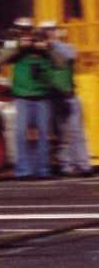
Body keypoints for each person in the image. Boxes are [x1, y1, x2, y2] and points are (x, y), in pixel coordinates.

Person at [4, 21, 59, 179]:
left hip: (42, 97)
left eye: (28, 30)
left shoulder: (44, 51)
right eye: (22, 30)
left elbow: (61, 63)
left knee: (43, 135)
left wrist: (47, 49)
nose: (26, 33)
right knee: (21, 133)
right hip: (22, 97)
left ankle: (43, 170)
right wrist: (19, 48)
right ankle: (24, 170)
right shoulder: (17, 49)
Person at [41, 22, 93, 176]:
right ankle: (67, 166)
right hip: (53, 98)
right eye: (46, 31)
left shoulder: (65, 48)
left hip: (68, 97)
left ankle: (83, 165)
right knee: (61, 135)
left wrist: (53, 43)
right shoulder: (42, 53)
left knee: (76, 132)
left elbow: (70, 56)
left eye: (51, 30)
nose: (49, 33)